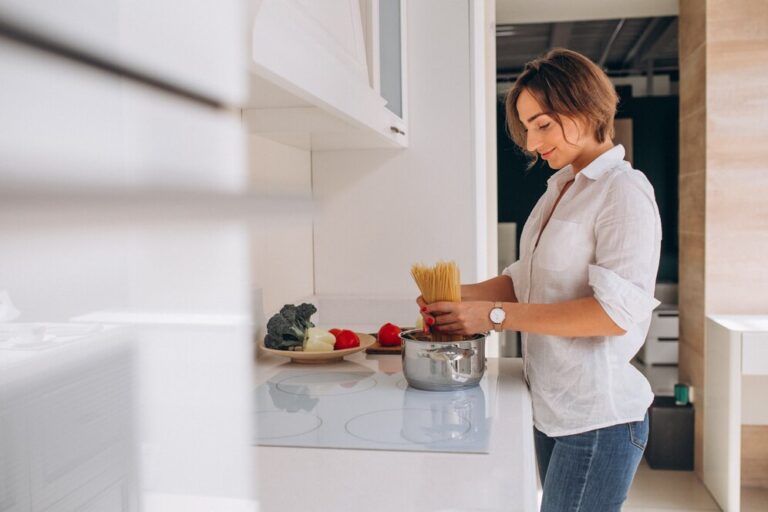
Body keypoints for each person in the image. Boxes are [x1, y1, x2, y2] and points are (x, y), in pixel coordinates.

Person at [417, 48, 662, 511]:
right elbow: (523, 280)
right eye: (527, 128)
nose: (531, 143)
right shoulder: (559, 189)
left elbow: (613, 315)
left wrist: (490, 315)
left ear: (587, 107)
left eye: (543, 124)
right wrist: (449, 298)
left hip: (597, 420)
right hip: (553, 410)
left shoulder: (623, 192)